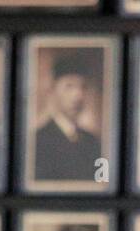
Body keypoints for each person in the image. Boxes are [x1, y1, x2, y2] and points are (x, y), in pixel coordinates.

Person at [33, 51, 102, 183]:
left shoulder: (93, 141)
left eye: (83, 87)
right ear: (53, 90)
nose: (78, 95)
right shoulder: (38, 141)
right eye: (69, 86)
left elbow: (102, 180)